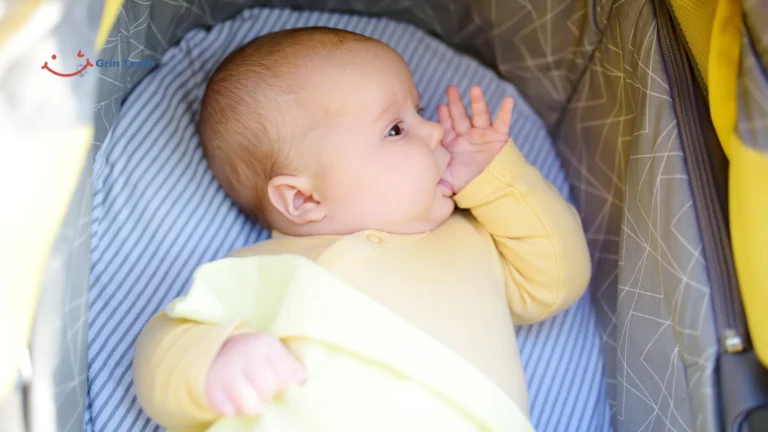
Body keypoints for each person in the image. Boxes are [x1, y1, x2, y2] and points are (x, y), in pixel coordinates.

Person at [133, 26, 591, 431]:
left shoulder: (471, 239)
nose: (433, 132)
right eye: (395, 129)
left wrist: (493, 177)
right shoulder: (263, 271)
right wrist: (218, 356)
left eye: (420, 111)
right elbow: (162, 347)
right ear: (304, 199)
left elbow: (559, 279)